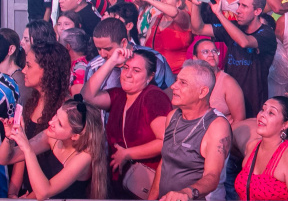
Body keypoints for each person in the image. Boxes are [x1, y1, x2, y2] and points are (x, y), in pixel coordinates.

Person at [81, 46, 171, 197]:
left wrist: (127, 154)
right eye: (125, 67)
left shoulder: (153, 97)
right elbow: (87, 95)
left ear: (150, 77)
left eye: (136, 70)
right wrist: (112, 61)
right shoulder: (119, 95)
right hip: (121, 184)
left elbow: (165, 142)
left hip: (145, 186)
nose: (128, 74)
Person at [149, 60, 232, 201]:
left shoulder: (217, 126)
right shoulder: (173, 116)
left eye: (183, 83)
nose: (174, 86)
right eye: (176, 81)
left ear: (202, 92)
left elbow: (212, 176)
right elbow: (165, 163)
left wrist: (187, 193)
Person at [189, 0, 277, 119]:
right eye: (238, 5)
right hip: (227, 101)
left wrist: (219, 15)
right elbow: (198, 29)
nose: (238, 10)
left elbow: (244, 42)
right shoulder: (234, 26)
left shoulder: (266, 33)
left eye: (244, 6)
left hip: (252, 105)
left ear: (257, 11)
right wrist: (196, 6)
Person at [0, 96, 109, 200]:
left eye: (60, 124)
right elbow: (5, 159)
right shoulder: (50, 137)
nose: (51, 122)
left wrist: (28, 150)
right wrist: (10, 138)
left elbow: (43, 192)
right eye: (56, 115)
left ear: (75, 136)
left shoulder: (84, 157)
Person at [9, 41, 71, 198]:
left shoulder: (66, 112)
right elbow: (23, 151)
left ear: (47, 70)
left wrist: (31, 197)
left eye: (28, 66)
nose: (23, 70)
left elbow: (61, 170)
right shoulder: (29, 102)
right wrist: (13, 192)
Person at [235, 96, 288, 200]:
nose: (262, 115)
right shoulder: (252, 147)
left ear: (285, 124)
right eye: (263, 109)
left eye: (271, 113)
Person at [140, 0, 193, 75]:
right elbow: (147, 46)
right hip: (155, 75)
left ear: (178, 3)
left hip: (177, 75)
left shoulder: (185, 17)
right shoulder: (156, 19)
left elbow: (174, 12)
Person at [192, 39, 245, 125]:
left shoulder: (228, 83)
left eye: (214, 51)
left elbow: (239, 121)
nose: (211, 55)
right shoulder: (191, 80)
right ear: (195, 58)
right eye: (205, 52)